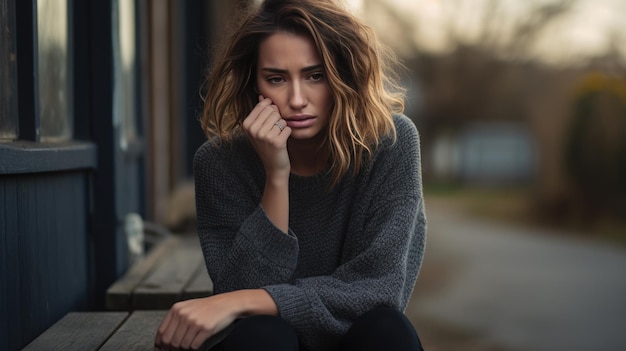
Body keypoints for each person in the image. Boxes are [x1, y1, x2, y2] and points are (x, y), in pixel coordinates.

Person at [154, 0, 426, 350]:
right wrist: (276, 177)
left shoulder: (391, 144)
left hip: (359, 340)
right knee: (265, 335)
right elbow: (240, 301)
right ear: (254, 84)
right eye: (277, 78)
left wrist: (241, 300)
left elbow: (378, 289)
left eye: (315, 75)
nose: (297, 99)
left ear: (342, 75)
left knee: (388, 330)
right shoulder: (219, 164)